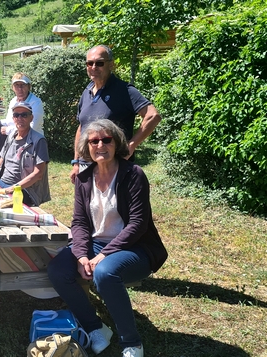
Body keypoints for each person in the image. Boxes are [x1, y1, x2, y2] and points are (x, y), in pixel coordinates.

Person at [48, 119, 167, 357]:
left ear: (117, 142)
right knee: (57, 270)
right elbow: (80, 222)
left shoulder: (133, 175)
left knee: (105, 273)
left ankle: (131, 343)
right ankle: (95, 327)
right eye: (94, 141)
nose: (100, 144)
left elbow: (138, 224)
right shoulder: (83, 180)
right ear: (87, 147)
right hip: (95, 245)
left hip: (134, 247)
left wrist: (103, 255)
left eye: (106, 139)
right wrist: (82, 256)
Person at [69, 45, 161, 183]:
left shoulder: (124, 90)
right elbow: (82, 127)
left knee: (114, 204)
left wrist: (131, 146)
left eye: (99, 63)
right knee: (88, 204)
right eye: (90, 63)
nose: (94, 67)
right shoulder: (87, 91)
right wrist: (76, 162)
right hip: (86, 166)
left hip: (114, 166)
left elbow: (153, 116)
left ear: (111, 64)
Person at [0, 101, 50, 207]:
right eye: (16, 115)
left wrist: (12, 188)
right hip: (2, 183)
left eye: (24, 115)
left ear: (31, 118)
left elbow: (38, 174)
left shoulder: (38, 140)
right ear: (13, 118)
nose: (20, 118)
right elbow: (1, 162)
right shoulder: (11, 136)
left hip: (23, 189)